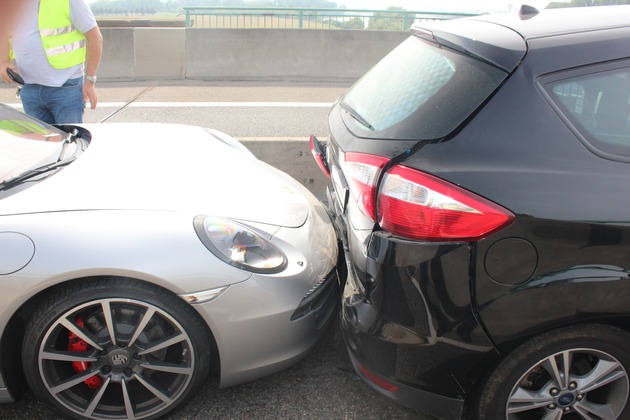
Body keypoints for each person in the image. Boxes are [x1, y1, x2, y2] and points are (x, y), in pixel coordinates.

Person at [0, 0, 103, 124]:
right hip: (29, 87)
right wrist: (3, 62)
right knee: (40, 143)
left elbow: (95, 38)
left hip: (65, 86)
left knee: (68, 141)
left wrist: (90, 81)